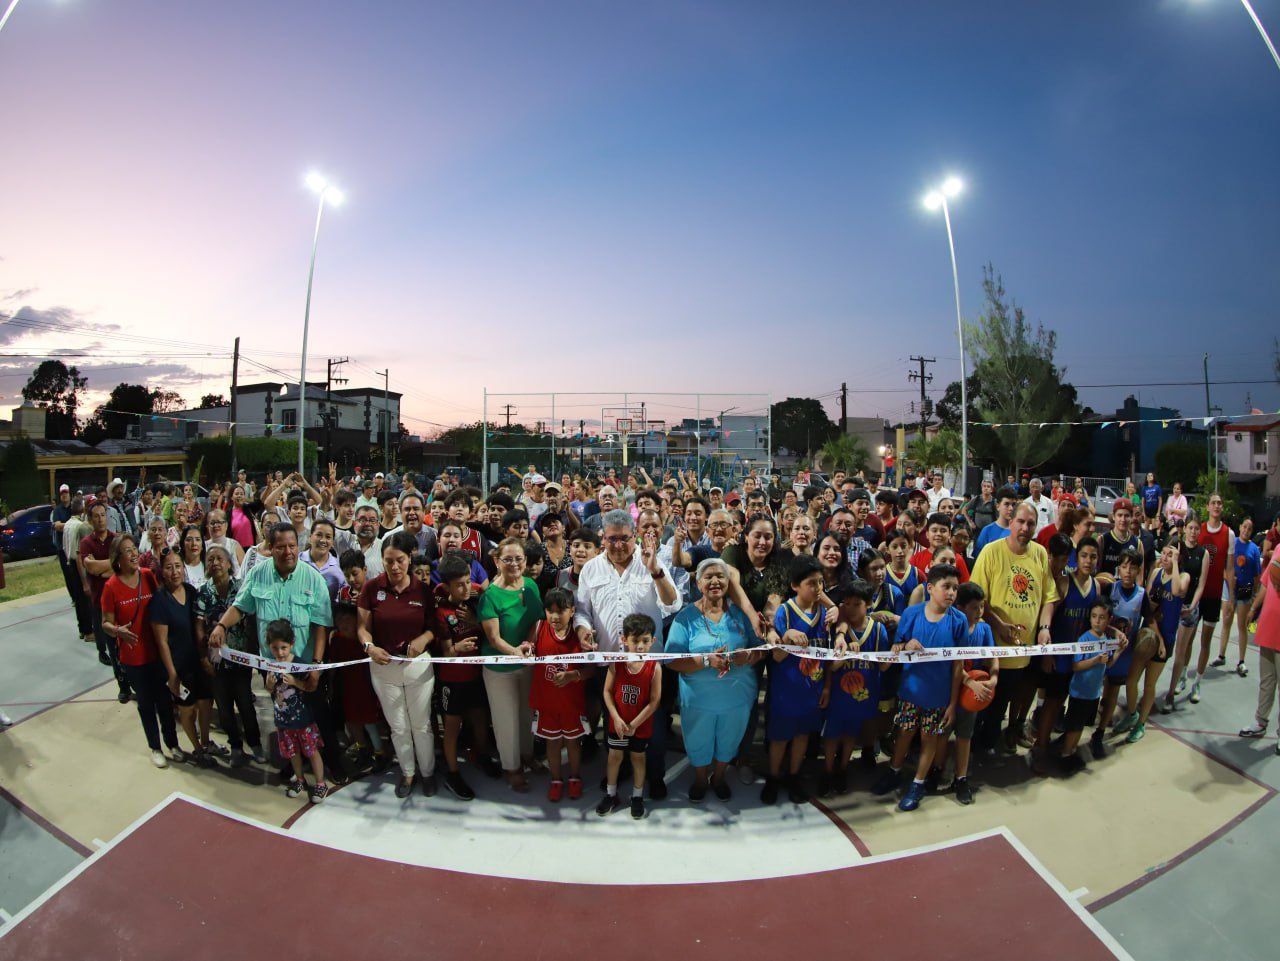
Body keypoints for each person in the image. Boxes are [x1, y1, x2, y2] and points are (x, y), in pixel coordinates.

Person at [573, 508, 682, 795]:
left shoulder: (652, 563)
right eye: (612, 539)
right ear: (602, 538)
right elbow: (582, 611)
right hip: (609, 665)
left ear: (635, 537)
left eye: (624, 538)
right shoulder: (591, 569)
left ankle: (655, 777)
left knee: (652, 725)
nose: (619, 545)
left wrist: (655, 570)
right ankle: (619, 771)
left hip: (647, 667)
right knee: (614, 722)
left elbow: (672, 603)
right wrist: (583, 630)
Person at [665, 558, 765, 802]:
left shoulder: (741, 615)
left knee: (730, 739)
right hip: (698, 699)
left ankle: (719, 777)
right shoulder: (685, 618)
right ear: (698, 584)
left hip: (737, 697)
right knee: (698, 740)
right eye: (708, 577)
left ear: (728, 582)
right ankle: (700, 778)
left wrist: (749, 656)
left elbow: (762, 649)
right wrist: (705, 661)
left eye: (720, 576)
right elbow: (671, 660)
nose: (715, 581)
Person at [968, 502, 1061, 756]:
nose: (1025, 527)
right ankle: (972, 751)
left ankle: (989, 745)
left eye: (1031, 523)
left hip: (1022, 652)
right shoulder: (991, 552)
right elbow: (977, 599)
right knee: (981, 706)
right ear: (1011, 523)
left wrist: (1044, 628)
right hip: (992, 650)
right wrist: (999, 625)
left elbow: (1049, 598)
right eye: (1020, 521)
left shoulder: (1040, 554)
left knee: (1003, 705)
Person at [871, 564, 966, 812]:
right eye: (946, 587)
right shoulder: (912, 614)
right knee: (904, 733)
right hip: (910, 691)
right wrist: (905, 645)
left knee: (929, 738)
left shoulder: (958, 620)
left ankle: (918, 783)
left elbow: (958, 665)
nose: (951, 593)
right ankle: (894, 771)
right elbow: (897, 648)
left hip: (938, 695)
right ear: (930, 588)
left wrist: (952, 703)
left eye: (955, 588)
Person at [357, 530, 438, 799]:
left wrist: (423, 640)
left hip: (418, 667)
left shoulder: (422, 590)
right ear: (381, 559)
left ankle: (428, 772)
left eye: (400, 560)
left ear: (409, 559)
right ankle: (408, 772)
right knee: (398, 726)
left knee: (421, 724)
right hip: (383, 667)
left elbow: (434, 628)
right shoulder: (372, 588)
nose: (394, 566)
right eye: (389, 560)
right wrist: (370, 647)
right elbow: (362, 628)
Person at [99, 533, 177, 767]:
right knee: (146, 703)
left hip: (157, 651)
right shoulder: (111, 587)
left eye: (134, 548)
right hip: (133, 657)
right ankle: (155, 747)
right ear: (117, 558)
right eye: (127, 551)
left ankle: (173, 744)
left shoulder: (147, 576)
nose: (134, 554)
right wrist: (117, 631)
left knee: (165, 701)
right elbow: (105, 623)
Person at [762, 556, 831, 805]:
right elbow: (778, 656)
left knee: (803, 736)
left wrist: (827, 686)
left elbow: (828, 656)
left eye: (820, 582)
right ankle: (773, 777)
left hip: (813, 688)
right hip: (786, 689)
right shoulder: (785, 612)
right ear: (795, 585)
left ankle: (793, 776)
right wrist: (787, 637)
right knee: (780, 737)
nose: (817, 588)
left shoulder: (826, 615)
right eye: (811, 583)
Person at [478, 537, 543, 792]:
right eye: (508, 559)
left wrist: (529, 643)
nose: (514, 564)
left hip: (526, 663)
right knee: (506, 720)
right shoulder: (490, 596)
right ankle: (511, 767)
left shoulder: (531, 585)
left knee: (527, 714)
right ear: (497, 561)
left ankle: (528, 755)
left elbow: (537, 619)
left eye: (519, 559)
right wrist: (516, 652)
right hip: (500, 669)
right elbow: (494, 639)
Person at [195, 544, 264, 767]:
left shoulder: (242, 588)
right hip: (216, 663)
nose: (215, 563)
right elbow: (199, 628)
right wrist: (203, 658)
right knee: (224, 710)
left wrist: (252, 652)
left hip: (241, 660)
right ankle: (235, 746)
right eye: (210, 559)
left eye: (219, 559)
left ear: (229, 564)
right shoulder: (203, 593)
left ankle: (255, 744)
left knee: (245, 705)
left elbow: (251, 620)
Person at [819, 579, 889, 797]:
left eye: (856, 604)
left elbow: (884, 666)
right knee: (832, 736)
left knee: (851, 734)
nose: (850, 609)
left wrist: (899, 650)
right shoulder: (838, 630)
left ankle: (842, 769)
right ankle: (827, 771)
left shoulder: (878, 630)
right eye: (846, 604)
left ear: (868, 604)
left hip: (863, 694)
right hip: (838, 695)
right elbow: (831, 666)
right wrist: (846, 655)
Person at [150, 548, 219, 767]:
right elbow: (162, 642)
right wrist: (172, 674)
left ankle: (206, 742)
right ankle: (197, 749)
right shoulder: (159, 601)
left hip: (198, 660)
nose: (174, 572)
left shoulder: (191, 592)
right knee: (187, 709)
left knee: (205, 702)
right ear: (162, 571)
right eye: (169, 567)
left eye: (178, 566)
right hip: (179, 665)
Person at [597, 613, 662, 819]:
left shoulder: (655, 667)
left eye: (645, 641)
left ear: (653, 640)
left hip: (640, 726)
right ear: (624, 640)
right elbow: (607, 692)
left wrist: (634, 724)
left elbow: (654, 701)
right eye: (635, 641)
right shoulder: (616, 663)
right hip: (617, 724)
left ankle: (637, 797)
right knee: (614, 757)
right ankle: (611, 794)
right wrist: (616, 718)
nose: (640, 646)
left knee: (638, 759)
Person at [529, 587, 592, 802]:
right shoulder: (539, 627)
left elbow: (591, 669)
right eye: (550, 611)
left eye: (560, 611)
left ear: (572, 610)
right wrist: (525, 649)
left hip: (572, 703)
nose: (554, 616)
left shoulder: (580, 634)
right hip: (547, 703)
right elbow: (527, 648)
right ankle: (556, 779)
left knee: (573, 743)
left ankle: (575, 777)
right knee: (552, 743)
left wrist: (573, 676)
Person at [264, 619, 330, 803]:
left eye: (284, 648)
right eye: (275, 648)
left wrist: (295, 682)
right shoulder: (271, 665)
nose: (280, 653)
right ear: (269, 646)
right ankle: (300, 780)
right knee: (293, 753)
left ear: (292, 644)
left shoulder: (298, 664)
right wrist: (269, 685)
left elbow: (310, 687)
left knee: (312, 751)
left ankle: (320, 783)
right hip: (283, 720)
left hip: (303, 720)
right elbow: (270, 691)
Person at [1128, 540, 1186, 743]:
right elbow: (1148, 605)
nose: (1166, 557)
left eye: (1171, 554)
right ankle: (1132, 714)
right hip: (1149, 633)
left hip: (1166, 638)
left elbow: (1177, 591)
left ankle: (1141, 723)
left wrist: (1176, 563)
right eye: (1164, 553)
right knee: (1131, 680)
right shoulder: (1155, 574)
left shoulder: (1183, 577)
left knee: (1149, 684)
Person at [1058, 599, 1125, 775]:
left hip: (1093, 693)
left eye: (1102, 617)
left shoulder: (1106, 640)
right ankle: (1065, 755)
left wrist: (1118, 652)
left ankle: (1072, 752)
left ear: (1109, 619)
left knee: (1080, 727)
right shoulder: (1084, 639)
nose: (1097, 621)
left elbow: (1107, 665)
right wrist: (1095, 660)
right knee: (1073, 727)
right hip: (1079, 693)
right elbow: (1076, 666)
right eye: (1094, 616)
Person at [948, 581, 997, 804]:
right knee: (941, 735)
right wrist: (968, 681)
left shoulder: (984, 629)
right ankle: (935, 771)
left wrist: (993, 678)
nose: (979, 611)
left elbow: (993, 657)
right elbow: (951, 662)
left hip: (971, 695)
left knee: (965, 736)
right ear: (960, 608)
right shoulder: (951, 627)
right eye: (974, 607)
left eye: (982, 606)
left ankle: (961, 778)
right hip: (949, 689)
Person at [1189, 493, 1236, 698]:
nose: (1217, 506)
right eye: (1213, 503)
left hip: (1214, 595)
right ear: (1207, 507)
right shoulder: (1198, 531)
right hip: (1196, 595)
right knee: (1188, 639)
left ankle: (1197, 683)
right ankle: (1182, 676)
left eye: (1219, 503)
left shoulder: (1229, 534)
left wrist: (1231, 597)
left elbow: (1230, 568)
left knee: (1205, 642)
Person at [80, 501, 127, 701]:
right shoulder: (86, 543)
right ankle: (123, 686)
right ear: (91, 520)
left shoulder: (116, 540)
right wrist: (111, 565)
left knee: (126, 644)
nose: (100, 519)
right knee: (112, 646)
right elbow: (91, 568)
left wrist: (102, 569)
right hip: (100, 601)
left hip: (121, 600)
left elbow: (122, 566)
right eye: (96, 516)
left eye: (103, 515)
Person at [1238, 534, 1280, 746]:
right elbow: (1265, 582)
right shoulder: (1279, 549)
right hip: (1269, 623)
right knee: (1267, 679)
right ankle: (1260, 721)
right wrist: (1254, 608)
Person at [1164, 515, 1208, 713]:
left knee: (1180, 652)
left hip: (1189, 607)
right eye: (1190, 528)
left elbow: (1201, 585)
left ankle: (1170, 693)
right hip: (1172, 603)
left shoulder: (1203, 554)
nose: (1193, 532)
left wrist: (1193, 606)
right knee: (1164, 649)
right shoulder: (1177, 547)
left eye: (1196, 529)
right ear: (1185, 529)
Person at [1217, 516, 1260, 676]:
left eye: (1249, 529)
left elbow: (1256, 575)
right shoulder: (1232, 543)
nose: (1246, 531)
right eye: (1244, 527)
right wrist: (1227, 577)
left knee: (1242, 625)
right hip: (1229, 587)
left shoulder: (1254, 549)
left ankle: (1241, 661)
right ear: (1240, 527)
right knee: (1226, 621)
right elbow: (1222, 565)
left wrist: (1254, 593)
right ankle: (1221, 655)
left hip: (1245, 589)